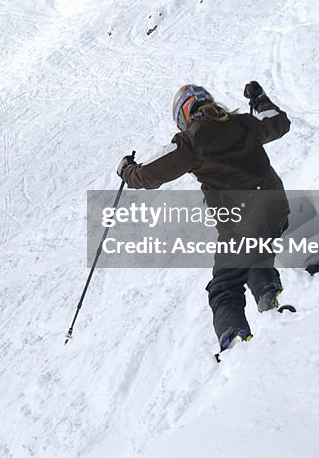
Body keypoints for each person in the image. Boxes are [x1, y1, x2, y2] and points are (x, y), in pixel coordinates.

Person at [117, 81, 291, 352]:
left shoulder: (191, 142)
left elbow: (149, 174)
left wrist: (127, 170)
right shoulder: (243, 123)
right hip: (276, 208)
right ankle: (267, 290)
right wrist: (259, 99)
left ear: (183, 116)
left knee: (224, 286)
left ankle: (234, 339)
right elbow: (278, 121)